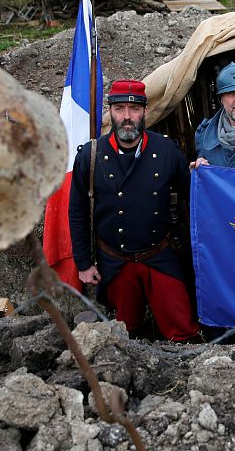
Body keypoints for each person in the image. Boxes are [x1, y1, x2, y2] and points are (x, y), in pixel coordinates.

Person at [69, 79, 198, 341]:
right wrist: (83, 263)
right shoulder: (90, 156)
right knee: (125, 335)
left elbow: (193, 197)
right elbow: (78, 211)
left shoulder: (167, 151)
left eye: (134, 109)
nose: (127, 117)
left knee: (184, 330)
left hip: (160, 254)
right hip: (115, 260)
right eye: (119, 109)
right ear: (110, 112)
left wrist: (202, 174)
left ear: (145, 112)